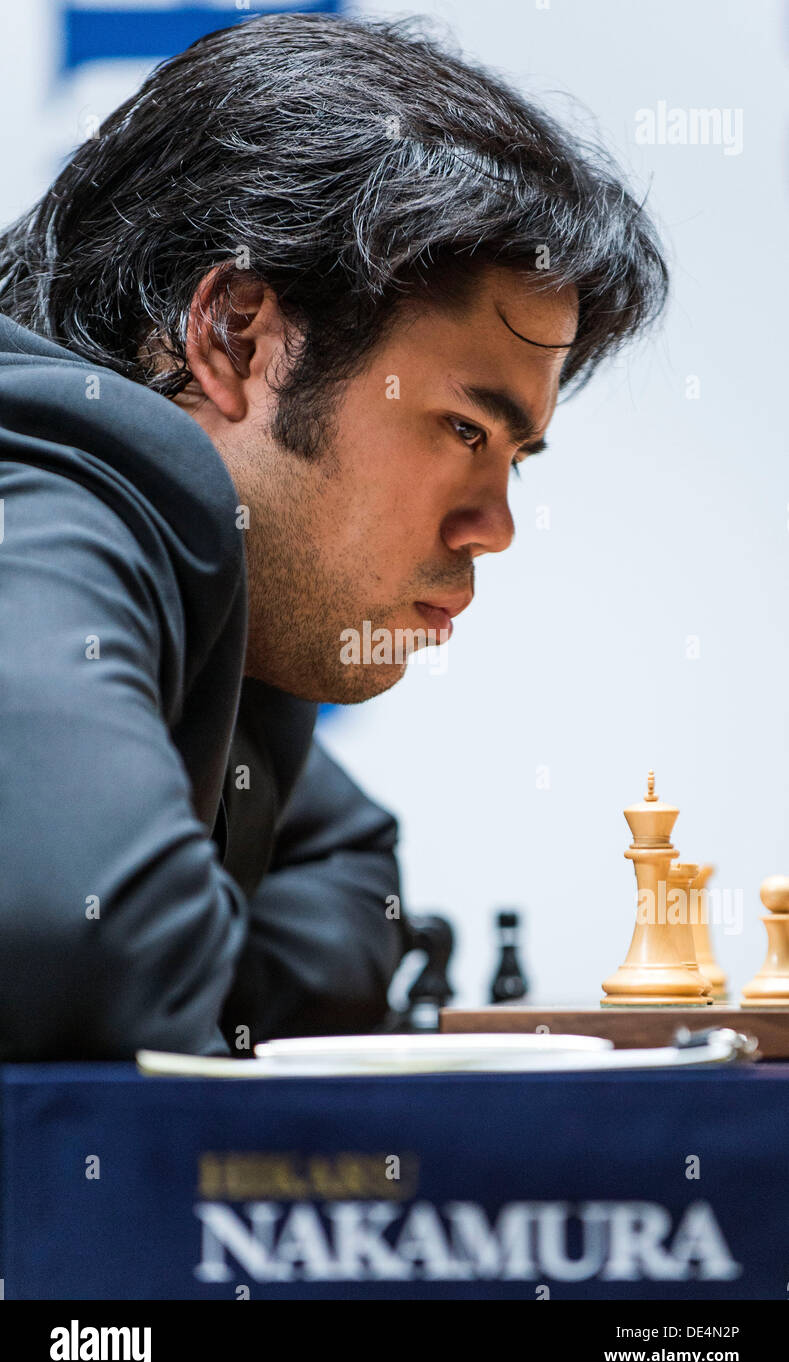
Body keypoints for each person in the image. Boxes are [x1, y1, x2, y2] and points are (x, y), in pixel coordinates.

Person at [0, 13, 667, 1060]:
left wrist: (212, 986)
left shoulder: (228, 589)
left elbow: (347, 859)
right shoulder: (53, 483)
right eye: (463, 428)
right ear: (236, 338)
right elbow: (77, 933)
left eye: (513, 459)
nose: (494, 526)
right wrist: (200, 987)